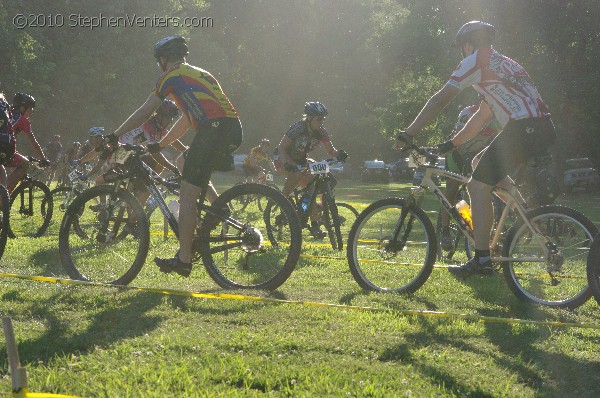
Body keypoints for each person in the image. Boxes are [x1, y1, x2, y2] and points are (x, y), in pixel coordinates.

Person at [394, 21, 556, 278]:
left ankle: (482, 259)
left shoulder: (475, 60)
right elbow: (481, 116)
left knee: (477, 186)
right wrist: (451, 144)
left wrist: (409, 132)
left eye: (461, 47)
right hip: (539, 127)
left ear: (468, 44)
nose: (461, 52)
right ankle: (525, 215)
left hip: (524, 128)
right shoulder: (503, 63)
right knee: (478, 162)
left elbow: (440, 99)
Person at [107, 36, 242, 277]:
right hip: (231, 128)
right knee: (182, 162)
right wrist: (160, 144)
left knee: (187, 195)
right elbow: (187, 120)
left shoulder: (171, 75)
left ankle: (184, 259)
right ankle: (217, 210)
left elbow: (145, 111)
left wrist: (115, 134)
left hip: (213, 129)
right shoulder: (200, 73)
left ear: (163, 59)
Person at [273, 101, 344, 238]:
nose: (321, 122)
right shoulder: (298, 128)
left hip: (300, 160)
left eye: (323, 119)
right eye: (319, 119)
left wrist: (340, 154)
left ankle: (314, 223)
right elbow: (281, 147)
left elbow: (331, 152)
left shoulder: (321, 132)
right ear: (310, 118)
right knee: (297, 174)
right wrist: (287, 162)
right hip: (282, 158)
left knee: (312, 185)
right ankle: (283, 204)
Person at [439, 103, 500, 250]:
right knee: (452, 189)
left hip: (477, 156)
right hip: (457, 154)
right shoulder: (468, 112)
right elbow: (459, 136)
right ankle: (445, 230)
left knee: (483, 189)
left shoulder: (499, 117)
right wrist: (465, 157)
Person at [7, 93, 49, 192]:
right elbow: (33, 142)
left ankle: (3, 195)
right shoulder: (22, 120)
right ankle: (3, 190)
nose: (32, 112)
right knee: (24, 163)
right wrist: (43, 159)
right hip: (5, 151)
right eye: (30, 108)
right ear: (22, 107)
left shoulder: (5, 113)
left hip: (5, 150)